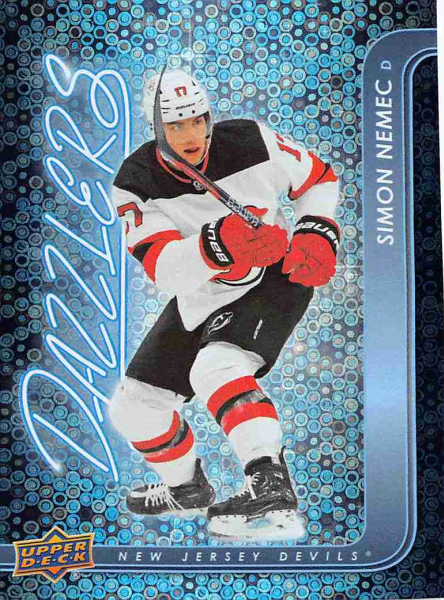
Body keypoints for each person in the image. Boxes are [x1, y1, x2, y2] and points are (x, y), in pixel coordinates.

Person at [109, 69, 340, 538]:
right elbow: (164, 269)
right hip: (201, 292)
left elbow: (318, 178)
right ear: (156, 127)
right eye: (176, 125)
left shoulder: (251, 140)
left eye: (198, 120)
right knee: (134, 408)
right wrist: (217, 244)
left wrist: (317, 231)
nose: (191, 135)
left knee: (215, 367)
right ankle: (186, 487)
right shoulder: (135, 180)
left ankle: (270, 486)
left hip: (275, 277)